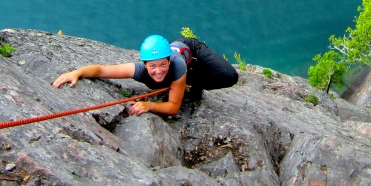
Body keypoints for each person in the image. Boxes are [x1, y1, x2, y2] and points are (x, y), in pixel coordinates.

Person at [52, 35, 238, 116]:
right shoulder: (139, 70)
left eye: (163, 65)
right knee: (177, 82)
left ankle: (193, 82)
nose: (158, 71)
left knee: (230, 76)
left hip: (191, 51)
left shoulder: (178, 66)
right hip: (178, 60)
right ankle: (188, 82)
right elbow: (102, 70)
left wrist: (149, 105)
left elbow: (174, 107)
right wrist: (77, 72)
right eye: (153, 66)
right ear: (145, 65)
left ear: (169, 61)